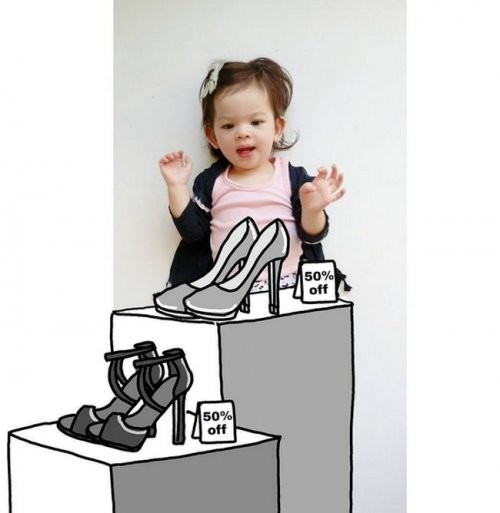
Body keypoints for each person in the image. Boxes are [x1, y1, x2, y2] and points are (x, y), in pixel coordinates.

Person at [159, 57, 346, 291]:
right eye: (228, 126)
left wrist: (313, 209)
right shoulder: (211, 182)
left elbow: (312, 235)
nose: (243, 133)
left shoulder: (291, 179)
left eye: (256, 122)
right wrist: (176, 186)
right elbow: (193, 234)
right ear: (213, 136)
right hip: (230, 289)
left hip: (289, 283)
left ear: (277, 128)